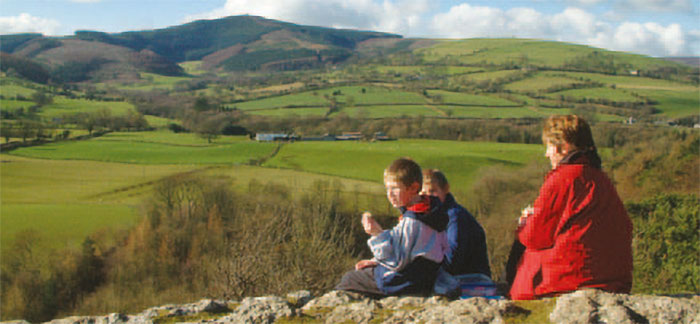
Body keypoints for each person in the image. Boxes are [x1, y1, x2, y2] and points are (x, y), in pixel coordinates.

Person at [509, 115, 633, 300]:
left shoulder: (564, 178)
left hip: (570, 279)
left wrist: (525, 222)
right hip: (612, 279)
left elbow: (534, 237)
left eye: (549, 147)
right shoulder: (600, 179)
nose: (547, 154)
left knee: (523, 252)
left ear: (564, 146)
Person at [335, 157, 449, 296]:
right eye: (387, 188)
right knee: (364, 271)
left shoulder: (413, 221)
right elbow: (408, 247)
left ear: (413, 188)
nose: (389, 194)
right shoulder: (431, 210)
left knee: (350, 279)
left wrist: (377, 234)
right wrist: (375, 261)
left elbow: (395, 262)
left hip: (405, 282)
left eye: (395, 188)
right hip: (426, 277)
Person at [422, 169, 491, 278]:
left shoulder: (455, 217)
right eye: (424, 193)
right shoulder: (430, 217)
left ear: (446, 189)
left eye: (433, 191)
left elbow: (452, 260)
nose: (428, 197)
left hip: (471, 280)